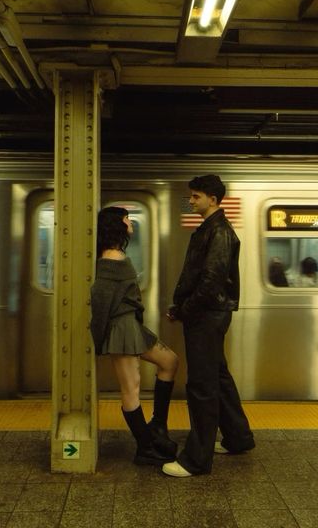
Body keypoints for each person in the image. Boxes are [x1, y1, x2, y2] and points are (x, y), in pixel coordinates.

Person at [163, 175, 255, 477]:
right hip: (206, 312)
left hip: (206, 315)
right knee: (218, 376)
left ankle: (196, 460)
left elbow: (210, 281)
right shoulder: (211, 229)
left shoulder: (219, 232)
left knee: (202, 385)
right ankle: (238, 438)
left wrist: (186, 310)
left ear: (213, 199)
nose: (191, 201)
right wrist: (181, 307)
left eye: (196, 196)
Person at [90, 206, 179, 466]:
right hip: (122, 328)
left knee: (170, 361)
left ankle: (157, 425)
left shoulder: (116, 255)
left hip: (132, 326)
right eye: (127, 219)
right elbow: (101, 299)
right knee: (131, 389)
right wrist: (99, 340)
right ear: (117, 225)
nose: (131, 223)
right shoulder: (111, 259)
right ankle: (145, 447)